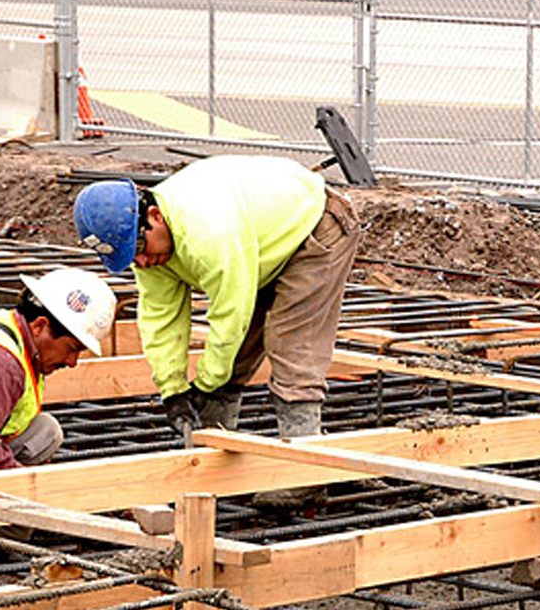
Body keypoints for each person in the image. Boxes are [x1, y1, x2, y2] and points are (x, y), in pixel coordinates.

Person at [73, 155, 361, 503]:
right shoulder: (148, 246)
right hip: (259, 243)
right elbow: (161, 319)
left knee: (292, 344)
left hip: (317, 227)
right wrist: (173, 390)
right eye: (129, 258)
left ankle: (307, 474)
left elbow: (230, 315)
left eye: (138, 250)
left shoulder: (208, 233)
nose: (142, 263)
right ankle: (217, 460)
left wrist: (207, 384)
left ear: (154, 216)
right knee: (231, 354)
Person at [0, 268, 116, 473]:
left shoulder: (12, 331)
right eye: (72, 349)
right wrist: (18, 478)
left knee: (44, 432)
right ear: (40, 326)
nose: (72, 362)